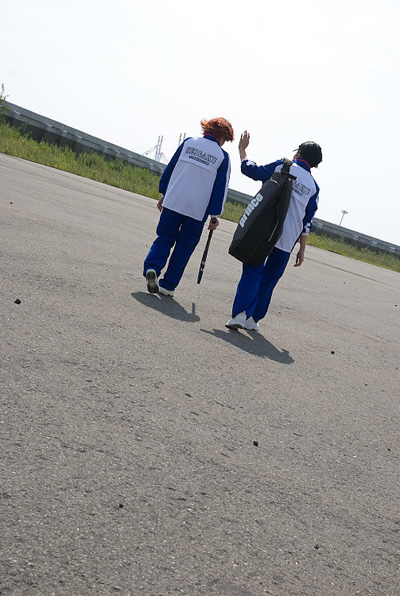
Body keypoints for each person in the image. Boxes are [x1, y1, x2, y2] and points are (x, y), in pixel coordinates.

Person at [226, 131, 322, 331]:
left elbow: (252, 171)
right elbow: (307, 221)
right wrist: (302, 249)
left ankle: (240, 314)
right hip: (288, 239)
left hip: (265, 231)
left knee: (253, 269)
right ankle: (254, 319)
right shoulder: (313, 187)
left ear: (298, 152)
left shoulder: (283, 165)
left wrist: (242, 150)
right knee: (270, 279)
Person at [143, 117, 234, 297]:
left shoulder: (188, 142)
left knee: (164, 238)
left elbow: (171, 169)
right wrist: (215, 215)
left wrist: (164, 193)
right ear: (223, 137)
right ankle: (168, 285)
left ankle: (152, 267)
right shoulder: (222, 157)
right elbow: (220, 188)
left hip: (174, 201)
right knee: (184, 248)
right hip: (197, 211)